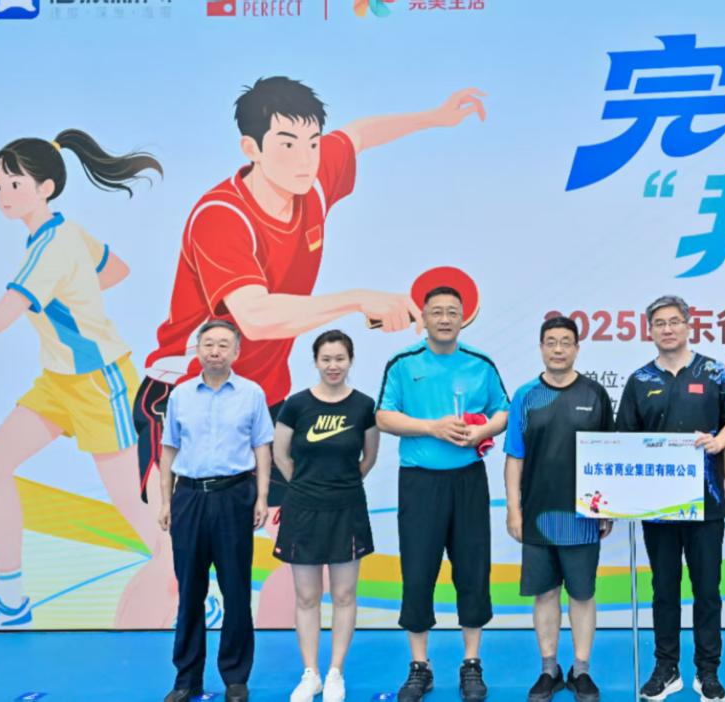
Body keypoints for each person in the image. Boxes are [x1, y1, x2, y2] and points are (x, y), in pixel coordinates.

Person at [131, 75, 485, 625]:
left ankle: (287, 650)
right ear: (251, 148)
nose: (305, 158)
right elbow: (255, 316)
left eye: (313, 143)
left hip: (263, 398)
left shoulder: (315, 179)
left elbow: (360, 134)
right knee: (176, 557)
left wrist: (434, 117)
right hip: (187, 399)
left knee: (291, 527)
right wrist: (355, 299)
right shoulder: (222, 216)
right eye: (287, 144)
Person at [0, 130, 173, 628]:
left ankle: (190, 595)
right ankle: (12, 602)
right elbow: (116, 270)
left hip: (99, 383)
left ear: (45, 188)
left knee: (133, 501)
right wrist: (75, 295)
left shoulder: (50, 250)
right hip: (59, 380)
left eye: (14, 185)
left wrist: (70, 295)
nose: (3, 196)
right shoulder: (61, 232)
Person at [377, 286, 510, 702]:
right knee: (418, 572)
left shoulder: (480, 363)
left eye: (453, 312)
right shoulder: (403, 363)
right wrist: (431, 427)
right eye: (437, 312)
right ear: (424, 318)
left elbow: (503, 411)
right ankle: (420, 665)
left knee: (473, 570)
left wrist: (483, 430)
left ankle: (471, 662)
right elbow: (384, 416)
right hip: (420, 483)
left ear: (463, 317)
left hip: (468, 481)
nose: (445, 318)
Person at [616, 295, 725, 702]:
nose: (667, 329)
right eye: (660, 323)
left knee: (707, 590)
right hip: (657, 507)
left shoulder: (715, 372)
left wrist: (718, 441)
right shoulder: (639, 380)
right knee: (664, 588)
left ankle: (708, 672)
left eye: (674, 321)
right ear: (650, 330)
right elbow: (624, 440)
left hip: (707, 502)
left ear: (689, 325)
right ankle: (666, 668)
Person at [157, 320, 274, 702]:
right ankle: (186, 678)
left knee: (236, 589)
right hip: (189, 497)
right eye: (208, 344)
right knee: (190, 590)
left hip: (234, 496)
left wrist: (261, 498)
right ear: (198, 350)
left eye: (224, 345)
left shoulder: (251, 393)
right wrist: (166, 501)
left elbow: (262, 448)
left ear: (236, 352)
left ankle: (235, 678)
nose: (215, 351)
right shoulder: (181, 395)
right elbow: (169, 450)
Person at [504, 316, 615, 702]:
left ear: (577, 349)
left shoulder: (595, 394)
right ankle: (548, 669)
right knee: (546, 593)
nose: (558, 349)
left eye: (566, 342)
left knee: (582, 595)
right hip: (536, 515)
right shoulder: (526, 396)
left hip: (583, 515)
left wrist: (607, 508)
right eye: (551, 342)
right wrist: (514, 510)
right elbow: (514, 457)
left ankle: (581, 670)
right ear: (541, 348)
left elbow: (609, 455)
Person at [276, 330, 380, 702]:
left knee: (344, 594)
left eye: (340, 358)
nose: (333, 365)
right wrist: (307, 486)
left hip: (347, 509)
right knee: (307, 596)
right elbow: (281, 455)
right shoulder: (296, 405)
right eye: (326, 359)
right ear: (316, 361)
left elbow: (368, 458)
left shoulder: (363, 406)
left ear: (350, 361)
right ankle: (311, 675)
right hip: (302, 510)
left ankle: (336, 672)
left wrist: (340, 486)